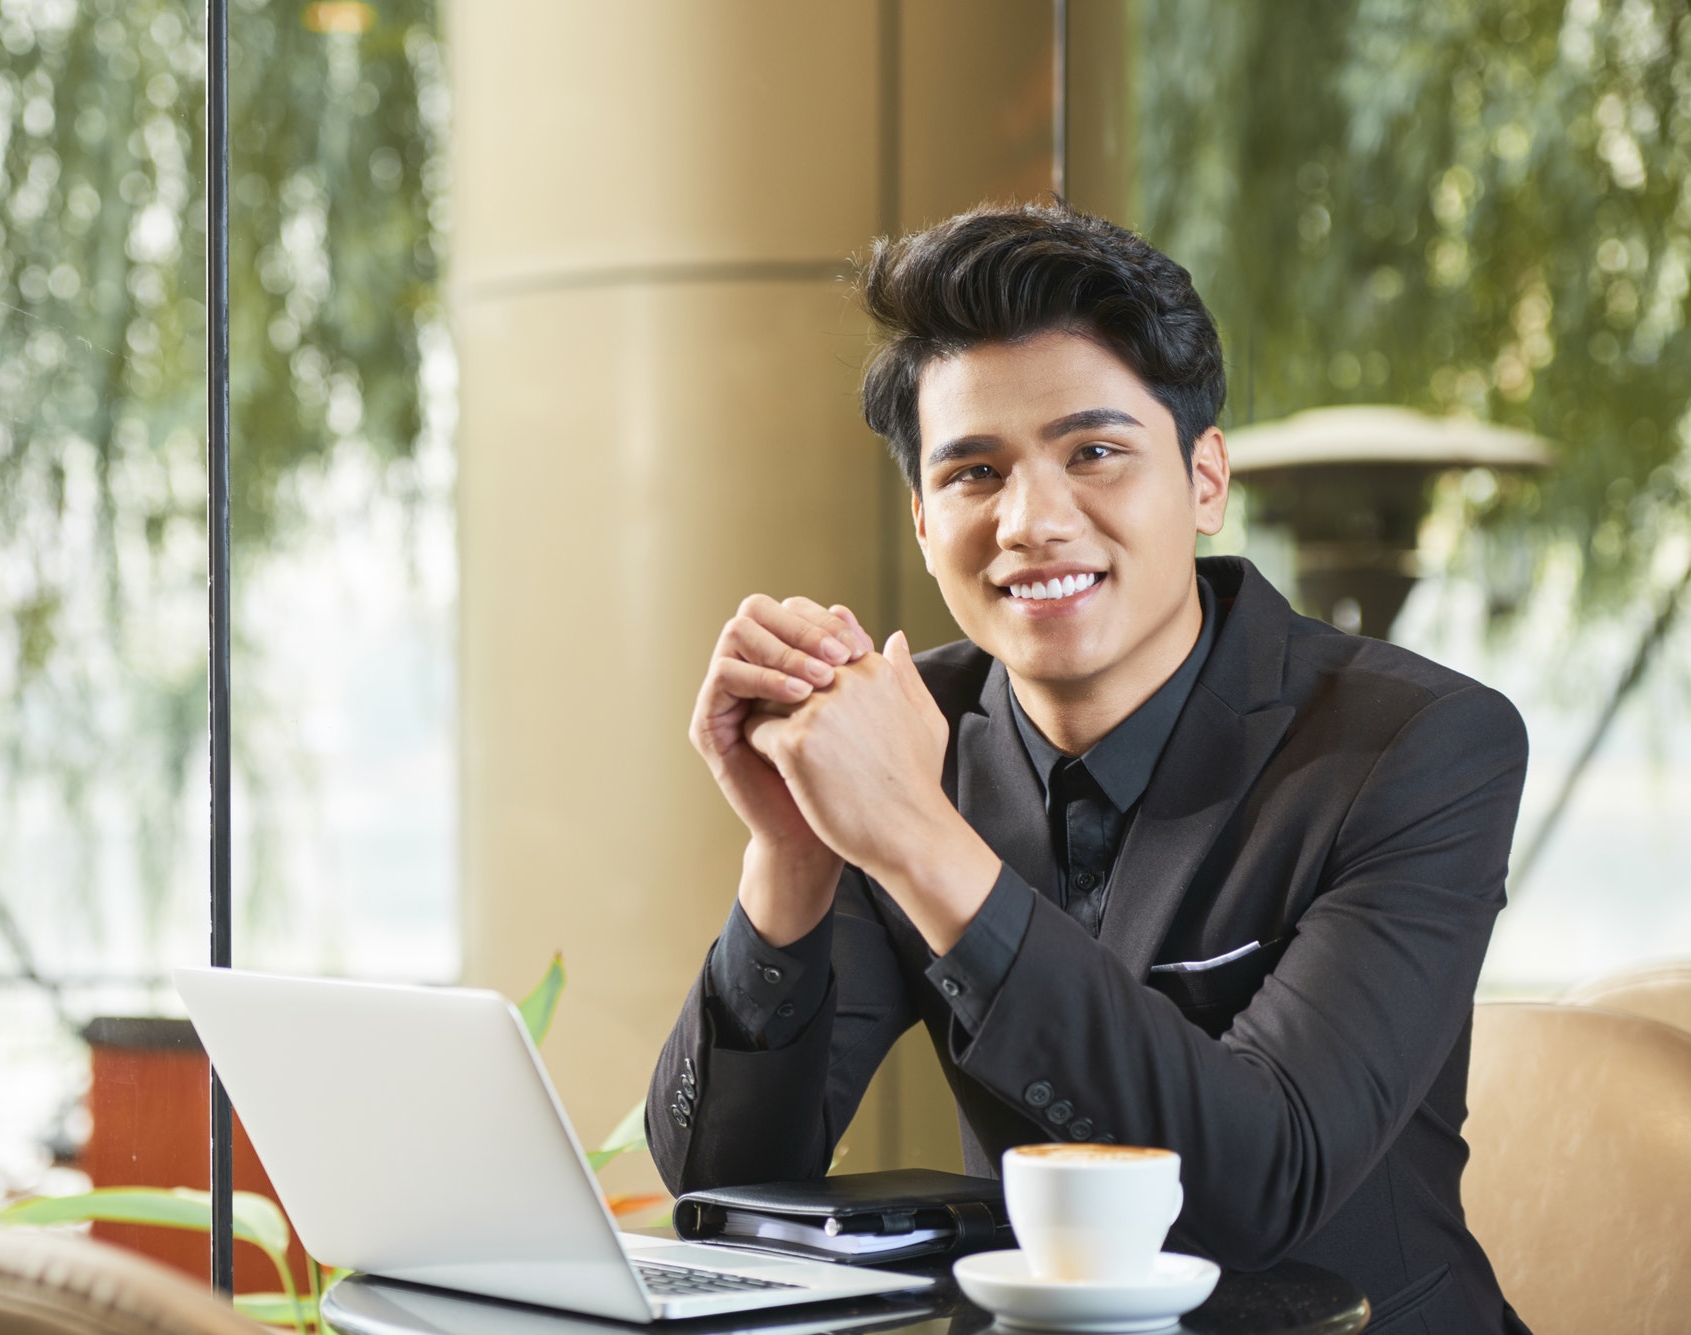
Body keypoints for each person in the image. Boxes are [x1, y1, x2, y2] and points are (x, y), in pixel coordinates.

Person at [646, 201, 1530, 1334]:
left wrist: (919, 840)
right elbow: (723, 1186)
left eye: (1093, 452)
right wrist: (792, 857)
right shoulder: (915, 732)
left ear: (1203, 479)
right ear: (921, 520)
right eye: (973, 473)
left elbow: (1261, 1179)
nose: (1031, 520)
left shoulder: (1418, 748)